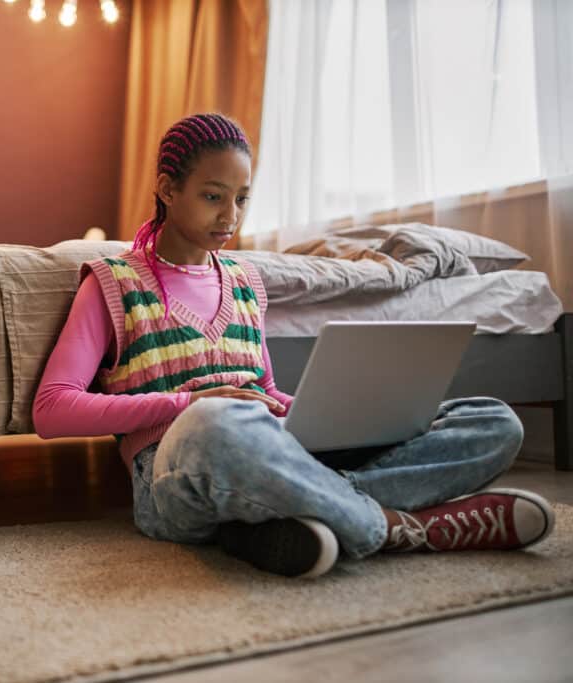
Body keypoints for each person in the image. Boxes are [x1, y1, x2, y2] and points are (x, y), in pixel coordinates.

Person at [32, 112, 555, 579]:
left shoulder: (245, 281)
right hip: (175, 470)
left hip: (279, 449)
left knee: (491, 421)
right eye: (213, 196)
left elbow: (265, 391)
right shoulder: (113, 282)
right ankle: (400, 527)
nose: (230, 216)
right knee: (216, 425)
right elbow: (53, 410)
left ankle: (290, 515)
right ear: (169, 189)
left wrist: (331, 415)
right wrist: (190, 403)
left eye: (242, 199)